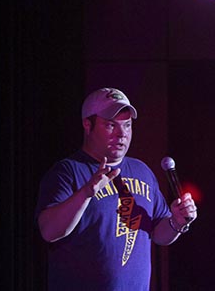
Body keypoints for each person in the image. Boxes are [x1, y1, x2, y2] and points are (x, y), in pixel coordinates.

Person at [35, 87, 197, 291]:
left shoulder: (141, 171)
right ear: (87, 125)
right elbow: (49, 231)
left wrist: (177, 222)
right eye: (111, 125)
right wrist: (86, 192)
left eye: (127, 125)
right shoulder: (68, 171)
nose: (122, 134)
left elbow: (158, 234)